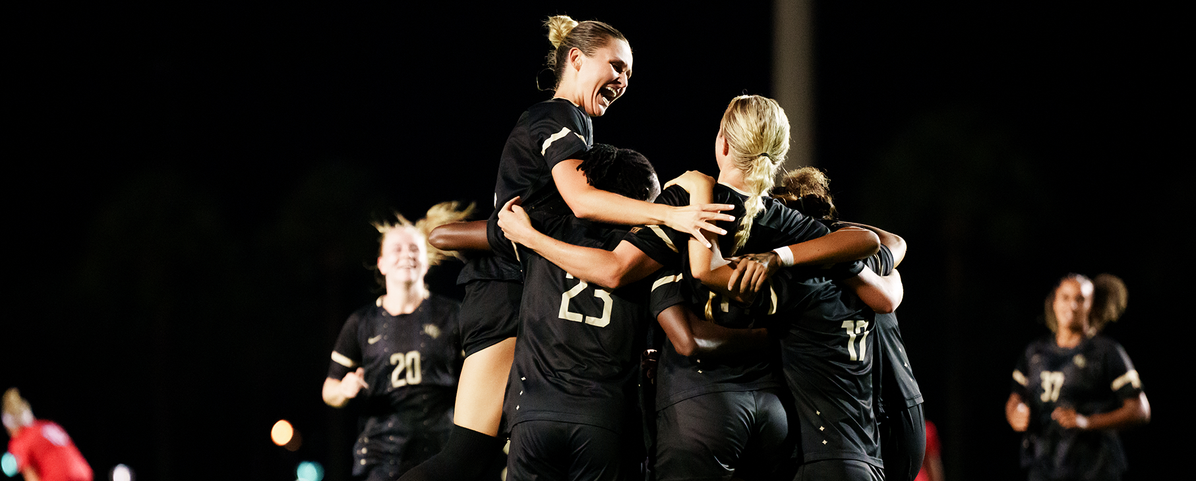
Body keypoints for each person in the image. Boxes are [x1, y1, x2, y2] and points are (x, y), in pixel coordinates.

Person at [402, 16, 734, 481]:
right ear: (575, 59)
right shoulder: (557, 115)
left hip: (519, 292)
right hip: (505, 295)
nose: (623, 80)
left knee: (498, 454)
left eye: (630, 74)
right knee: (466, 456)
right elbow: (581, 202)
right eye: (616, 66)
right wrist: (670, 214)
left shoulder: (576, 125)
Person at [497, 95, 883, 480]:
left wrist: (531, 238)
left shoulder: (692, 203)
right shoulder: (789, 222)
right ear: (778, 155)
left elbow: (616, 270)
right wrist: (780, 256)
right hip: (774, 411)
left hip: (701, 404)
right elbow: (869, 246)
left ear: (724, 143)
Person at [772, 167, 925, 481]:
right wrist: (833, 225)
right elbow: (894, 242)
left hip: (872, 415)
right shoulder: (865, 262)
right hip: (904, 408)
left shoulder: (807, 275)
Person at [322, 202, 472, 480]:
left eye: (414, 248)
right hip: (380, 457)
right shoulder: (361, 322)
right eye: (397, 249)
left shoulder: (453, 314)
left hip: (440, 453)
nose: (407, 255)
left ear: (425, 260)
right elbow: (328, 390)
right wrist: (343, 388)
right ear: (380, 263)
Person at [1005, 273, 1150, 481]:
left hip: (1093, 469)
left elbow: (1140, 410)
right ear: (1054, 302)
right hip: (1045, 467)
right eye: (1065, 298)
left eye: (1080, 299)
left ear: (1091, 305)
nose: (1072, 305)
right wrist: (1015, 413)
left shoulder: (1105, 351)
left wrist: (1088, 422)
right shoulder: (1035, 353)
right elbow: (1015, 398)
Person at [2, 388, 93, 481]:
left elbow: (30, 475)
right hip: (83, 473)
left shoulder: (21, 439)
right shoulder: (48, 425)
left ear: (11, 425)